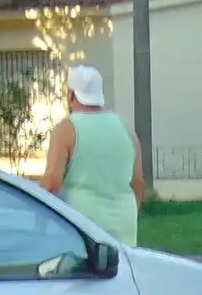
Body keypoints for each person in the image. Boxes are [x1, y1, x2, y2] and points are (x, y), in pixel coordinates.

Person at [40, 64, 146, 246]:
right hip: (124, 224)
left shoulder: (66, 130)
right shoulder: (126, 129)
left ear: (71, 95)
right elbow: (138, 182)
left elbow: (51, 183)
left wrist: (38, 222)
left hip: (82, 225)